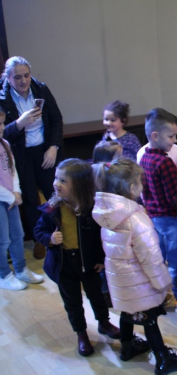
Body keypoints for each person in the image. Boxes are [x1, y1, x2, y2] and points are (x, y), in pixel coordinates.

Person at [93, 158, 177, 374]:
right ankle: (163, 358)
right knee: (149, 319)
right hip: (140, 282)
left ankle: (127, 347)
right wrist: (163, 283)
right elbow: (151, 257)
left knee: (126, 312)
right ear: (132, 187)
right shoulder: (135, 218)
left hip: (119, 281)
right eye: (141, 182)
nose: (143, 187)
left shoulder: (105, 214)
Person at [33, 159, 120, 357]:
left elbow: (100, 237)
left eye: (63, 180)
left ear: (79, 185)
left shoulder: (90, 208)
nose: (56, 183)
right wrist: (49, 239)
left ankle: (104, 322)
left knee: (96, 296)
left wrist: (100, 258)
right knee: (72, 302)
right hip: (64, 264)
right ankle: (81, 333)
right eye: (56, 178)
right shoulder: (52, 207)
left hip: (87, 262)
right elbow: (38, 230)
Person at [1, 56, 64, 260]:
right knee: (29, 198)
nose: (23, 81)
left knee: (54, 193)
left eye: (26, 75)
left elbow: (56, 119)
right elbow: (3, 133)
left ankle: (61, 233)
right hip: (21, 155)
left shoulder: (40, 88)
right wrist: (19, 123)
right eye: (17, 77)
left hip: (45, 151)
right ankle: (40, 239)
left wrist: (54, 147)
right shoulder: (3, 98)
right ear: (8, 78)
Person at [139, 108, 177, 314]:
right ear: (155, 135)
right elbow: (174, 196)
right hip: (170, 219)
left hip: (153, 218)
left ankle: (158, 296)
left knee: (159, 259)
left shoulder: (144, 158)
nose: (175, 140)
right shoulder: (165, 162)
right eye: (171, 136)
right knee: (176, 260)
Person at [0, 107, 44, 290]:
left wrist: (17, 192)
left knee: (18, 235)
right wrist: (11, 196)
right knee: (3, 240)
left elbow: (12, 170)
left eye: (2, 122)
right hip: (4, 199)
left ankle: (20, 269)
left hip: (11, 199)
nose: (2, 127)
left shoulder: (5, 144)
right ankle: (4, 274)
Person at [91, 140, 123, 307]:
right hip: (102, 232)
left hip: (109, 231)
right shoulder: (103, 182)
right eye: (119, 156)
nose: (123, 159)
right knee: (103, 263)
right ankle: (105, 294)